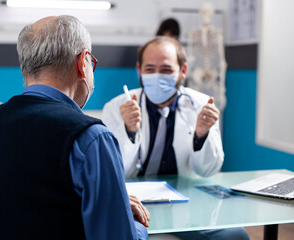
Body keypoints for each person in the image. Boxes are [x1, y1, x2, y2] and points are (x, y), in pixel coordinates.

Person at [0, 15, 149, 240]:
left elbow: (21, 205)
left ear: (24, 69)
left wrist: (108, 204)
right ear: (83, 63)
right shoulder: (91, 138)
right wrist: (130, 220)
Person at [102, 36, 249, 239]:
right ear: (139, 70)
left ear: (183, 71)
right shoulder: (116, 108)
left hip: (185, 202)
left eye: (166, 70)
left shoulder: (202, 105)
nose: (157, 76)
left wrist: (202, 134)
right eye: (150, 69)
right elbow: (116, 172)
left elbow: (208, 170)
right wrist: (129, 130)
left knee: (235, 235)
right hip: (134, 204)